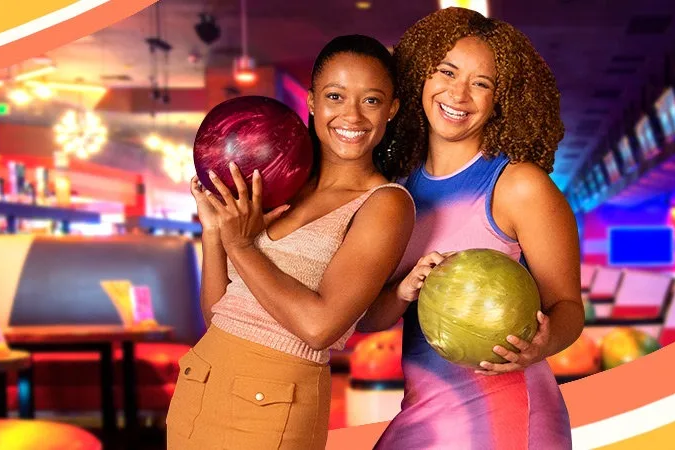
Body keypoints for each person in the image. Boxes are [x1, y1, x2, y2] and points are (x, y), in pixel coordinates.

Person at [166, 35, 415, 450]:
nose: (351, 115)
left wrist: (243, 247)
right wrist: (215, 234)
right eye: (335, 96)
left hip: (274, 404)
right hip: (200, 383)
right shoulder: (277, 186)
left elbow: (321, 328)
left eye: (370, 100)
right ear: (313, 101)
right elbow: (219, 317)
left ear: (391, 109)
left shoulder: (385, 204)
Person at [357, 8, 584, 450]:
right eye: (446, 72)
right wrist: (404, 290)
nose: (458, 94)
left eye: (481, 83)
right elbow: (368, 319)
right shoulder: (395, 189)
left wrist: (541, 344)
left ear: (501, 100)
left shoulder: (520, 187)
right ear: (421, 76)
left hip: (508, 411)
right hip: (427, 410)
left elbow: (568, 307)